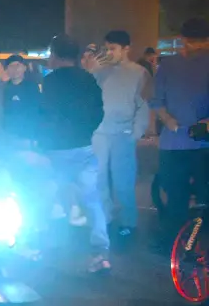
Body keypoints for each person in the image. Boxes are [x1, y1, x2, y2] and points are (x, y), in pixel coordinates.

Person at [37, 34, 110, 273]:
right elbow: (99, 112)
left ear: (55, 56)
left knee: (49, 197)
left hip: (56, 150)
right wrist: (86, 132)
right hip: (84, 147)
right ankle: (100, 252)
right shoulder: (87, 79)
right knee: (92, 199)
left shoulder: (50, 83)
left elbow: (44, 115)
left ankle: (47, 250)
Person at [150, 17, 209, 244]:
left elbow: (156, 101)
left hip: (196, 144)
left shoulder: (174, 64)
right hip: (178, 143)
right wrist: (167, 118)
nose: (199, 47)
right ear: (183, 40)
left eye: (203, 43)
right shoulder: (168, 65)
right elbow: (156, 100)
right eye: (195, 42)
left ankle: (189, 245)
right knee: (178, 197)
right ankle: (178, 244)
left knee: (195, 197)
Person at [89, 30, 149, 238]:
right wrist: (93, 70)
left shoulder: (139, 72)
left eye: (113, 49)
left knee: (124, 179)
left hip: (123, 132)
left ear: (126, 49)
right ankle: (105, 218)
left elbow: (143, 104)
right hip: (100, 132)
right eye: (106, 49)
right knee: (99, 178)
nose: (109, 53)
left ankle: (128, 221)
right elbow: (87, 95)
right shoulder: (99, 71)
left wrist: (136, 132)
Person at [1, 54, 42, 146]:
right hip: (7, 137)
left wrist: (32, 137)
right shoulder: (3, 88)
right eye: (11, 66)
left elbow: (35, 112)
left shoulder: (32, 87)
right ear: (7, 70)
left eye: (18, 65)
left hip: (26, 137)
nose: (15, 69)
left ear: (24, 68)